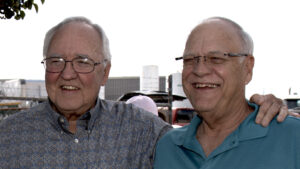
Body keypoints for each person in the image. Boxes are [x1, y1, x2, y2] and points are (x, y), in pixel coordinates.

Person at [0, 16, 290, 168]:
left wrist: (259, 105)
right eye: (56, 61)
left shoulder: (146, 133)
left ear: (106, 72)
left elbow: (219, 121)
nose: (67, 73)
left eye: (83, 62)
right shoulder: (7, 138)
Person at [154, 17, 300, 169]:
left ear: (248, 68)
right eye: (190, 59)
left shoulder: (292, 139)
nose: (200, 70)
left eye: (216, 59)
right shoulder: (168, 147)